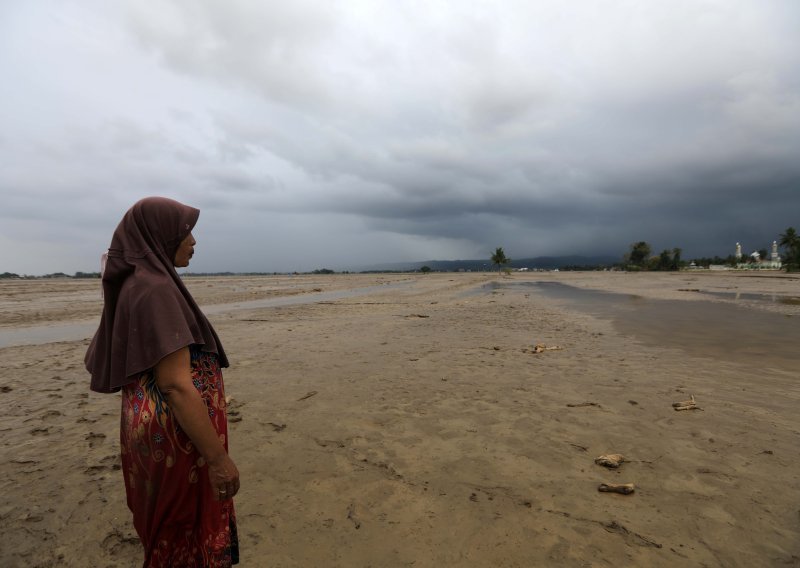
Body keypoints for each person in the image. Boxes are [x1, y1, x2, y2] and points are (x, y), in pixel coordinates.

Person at [85, 197, 240, 567]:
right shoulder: (156, 290)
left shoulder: (137, 285)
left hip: (156, 433)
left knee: (169, 529)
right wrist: (218, 459)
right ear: (161, 235)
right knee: (183, 531)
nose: (194, 241)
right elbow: (175, 385)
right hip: (175, 439)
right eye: (187, 231)